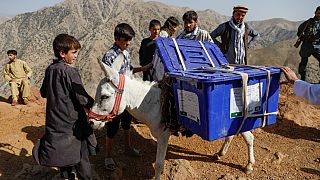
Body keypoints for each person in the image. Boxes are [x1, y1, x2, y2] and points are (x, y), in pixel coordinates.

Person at [33, 34, 96, 180]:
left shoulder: (50, 69)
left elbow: (43, 93)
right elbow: (83, 99)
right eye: (73, 52)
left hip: (55, 120)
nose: (76, 56)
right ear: (62, 53)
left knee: (62, 153)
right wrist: (97, 107)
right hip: (72, 122)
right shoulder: (70, 72)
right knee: (82, 156)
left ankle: (66, 176)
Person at [101, 23, 142, 171]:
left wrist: (144, 68)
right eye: (126, 41)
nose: (129, 43)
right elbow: (109, 79)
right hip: (115, 98)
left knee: (126, 122)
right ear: (117, 39)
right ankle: (108, 156)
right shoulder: (110, 56)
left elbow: (129, 70)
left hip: (126, 96)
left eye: (129, 40)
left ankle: (128, 147)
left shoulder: (126, 51)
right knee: (112, 126)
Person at [296, 6, 320, 81]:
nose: (319, 15)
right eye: (319, 13)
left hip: (317, 46)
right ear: (315, 13)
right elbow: (299, 30)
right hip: (307, 45)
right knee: (303, 63)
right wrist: (303, 38)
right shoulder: (309, 22)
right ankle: (303, 80)